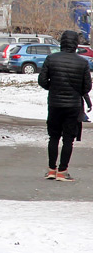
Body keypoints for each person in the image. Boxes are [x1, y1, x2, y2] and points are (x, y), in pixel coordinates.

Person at [38, 29, 93, 181]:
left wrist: (53, 88)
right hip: (73, 106)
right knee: (68, 139)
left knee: (53, 137)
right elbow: (87, 87)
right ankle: (62, 171)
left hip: (54, 103)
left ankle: (51, 170)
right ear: (76, 44)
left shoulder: (51, 59)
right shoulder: (82, 62)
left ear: (62, 42)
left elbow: (42, 80)